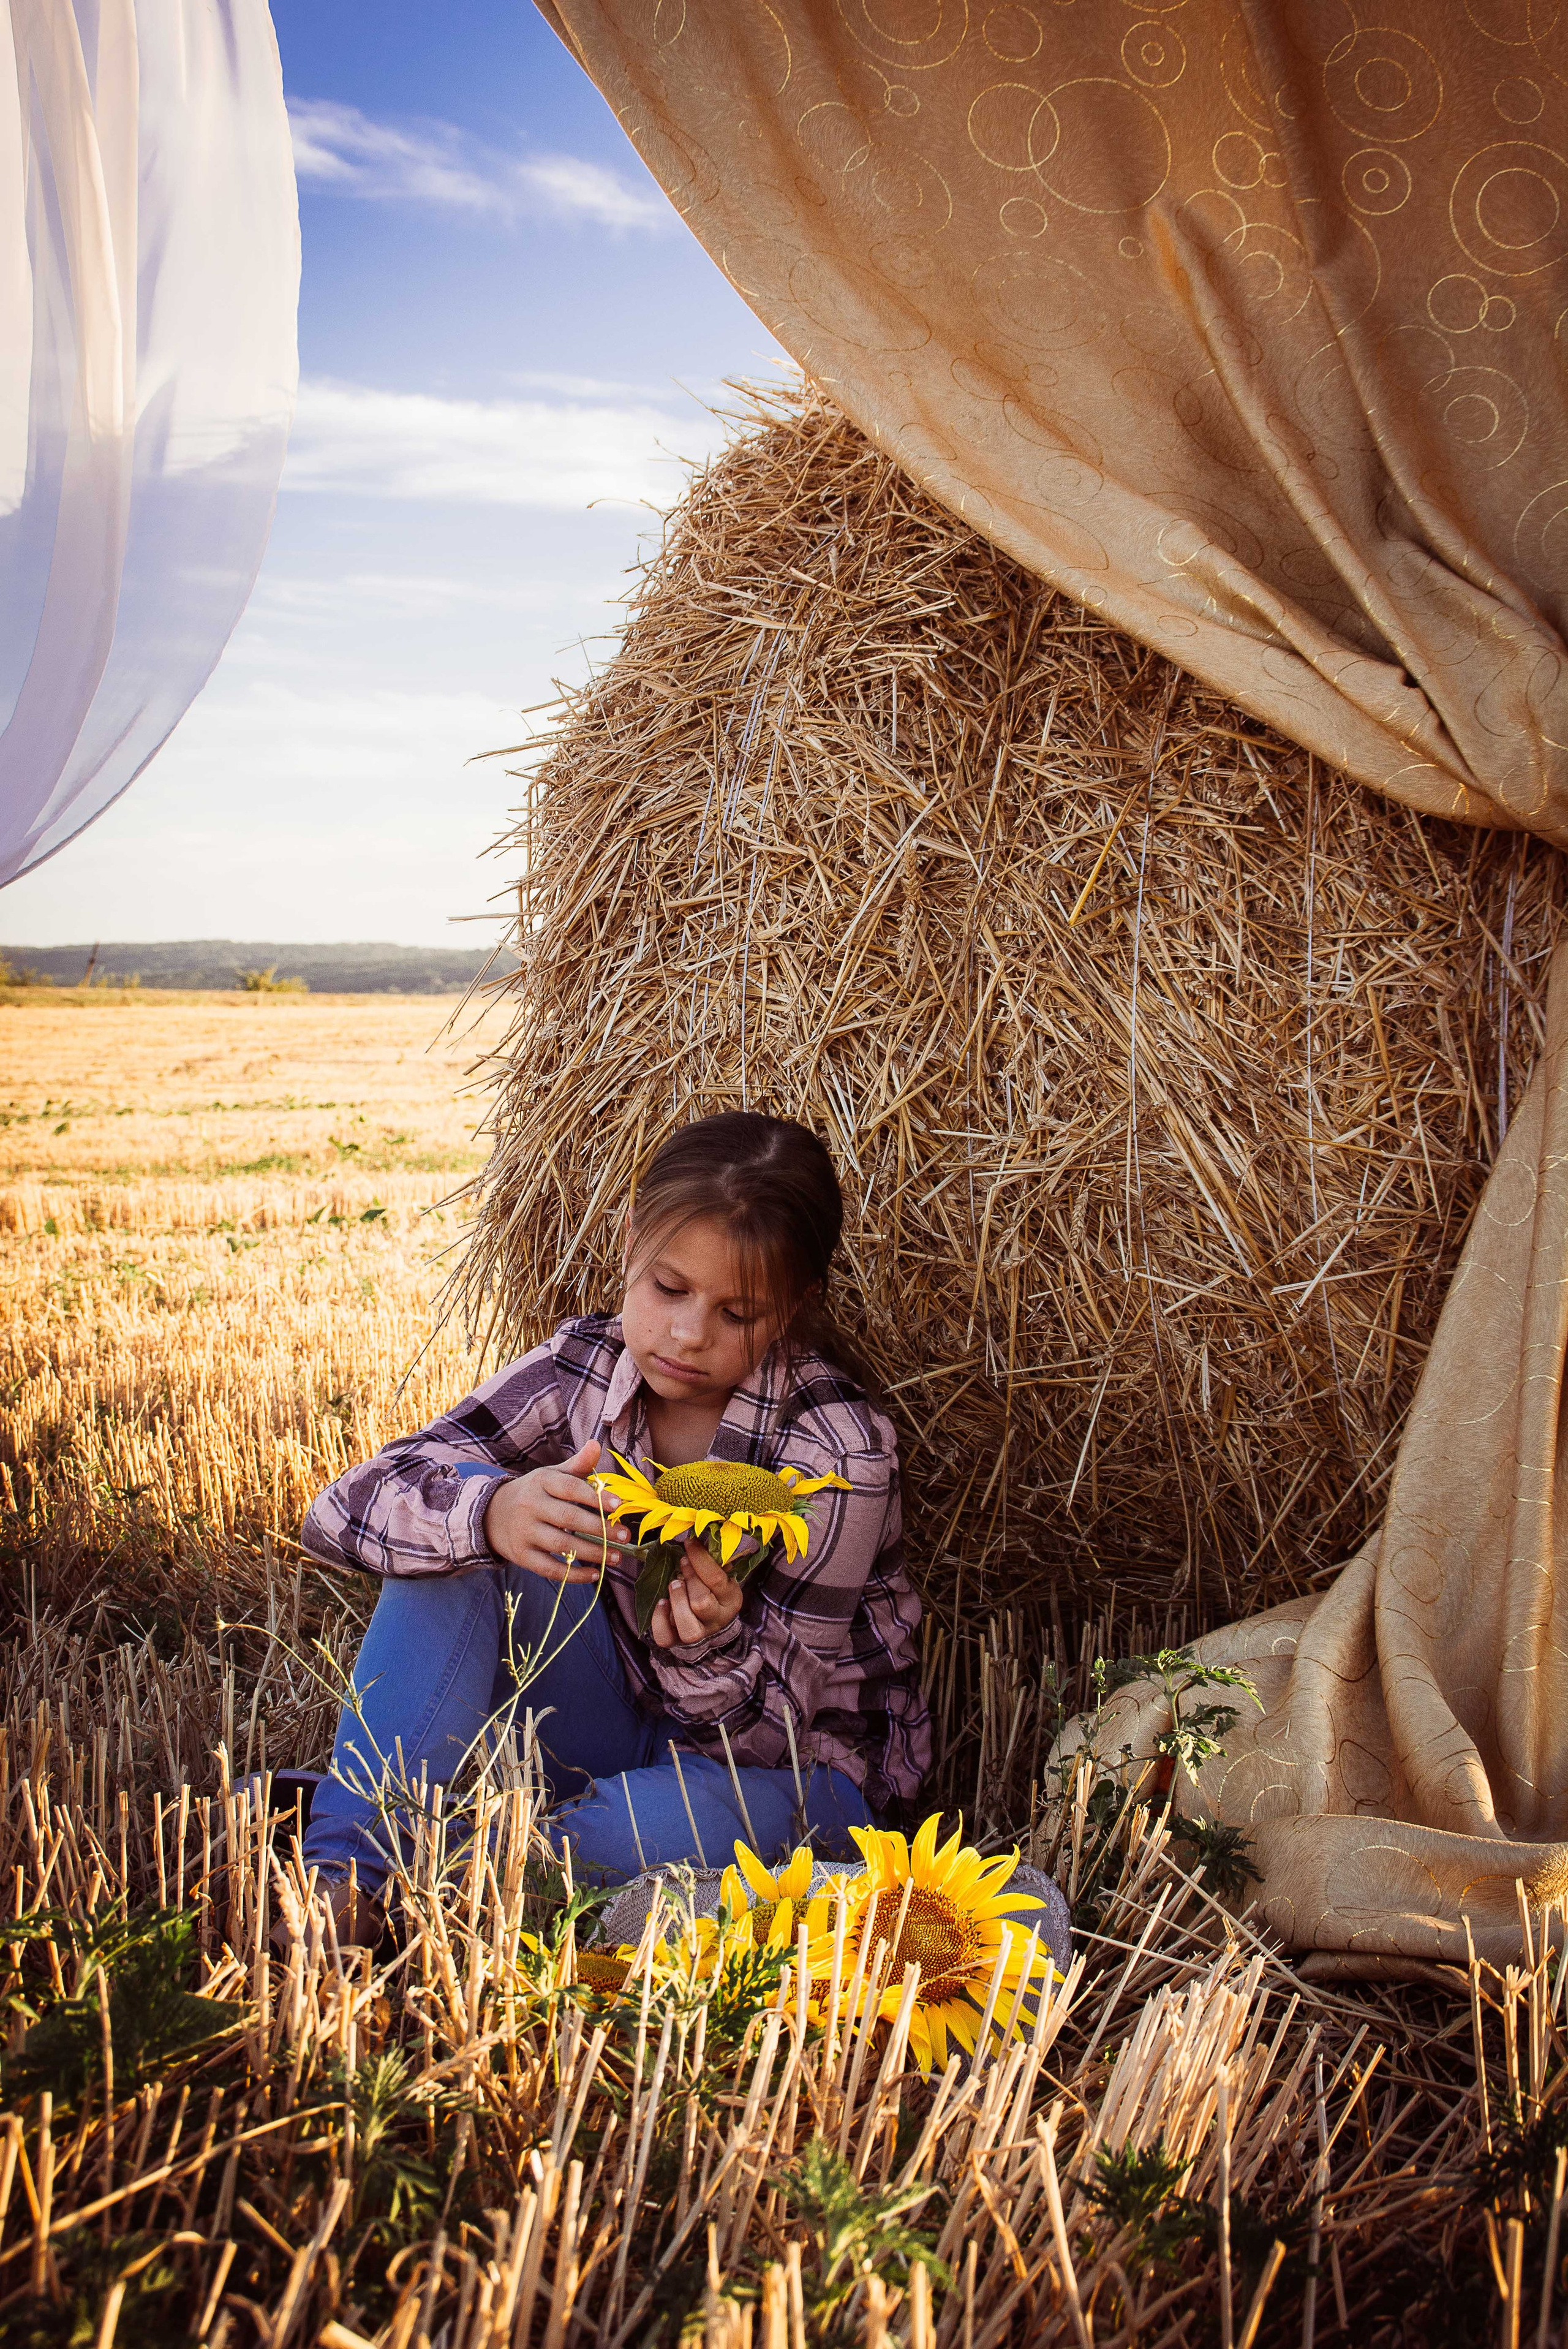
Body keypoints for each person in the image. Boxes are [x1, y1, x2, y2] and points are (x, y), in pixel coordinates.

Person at [296, 1111, 932, 1940]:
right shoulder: (580, 1369)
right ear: (630, 1238)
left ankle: (452, 1876)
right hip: (611, 1720)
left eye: (737, 1313)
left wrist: (708, 1641)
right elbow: (343, 1507)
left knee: (693, 1827)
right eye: (670, 1288)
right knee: (467, 1508)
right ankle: (340, 1877)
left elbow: (772, 1746)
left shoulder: (836, 1459)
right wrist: (493, 1516)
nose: (687, 1334)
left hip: (790, 1782)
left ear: (793, 1308)